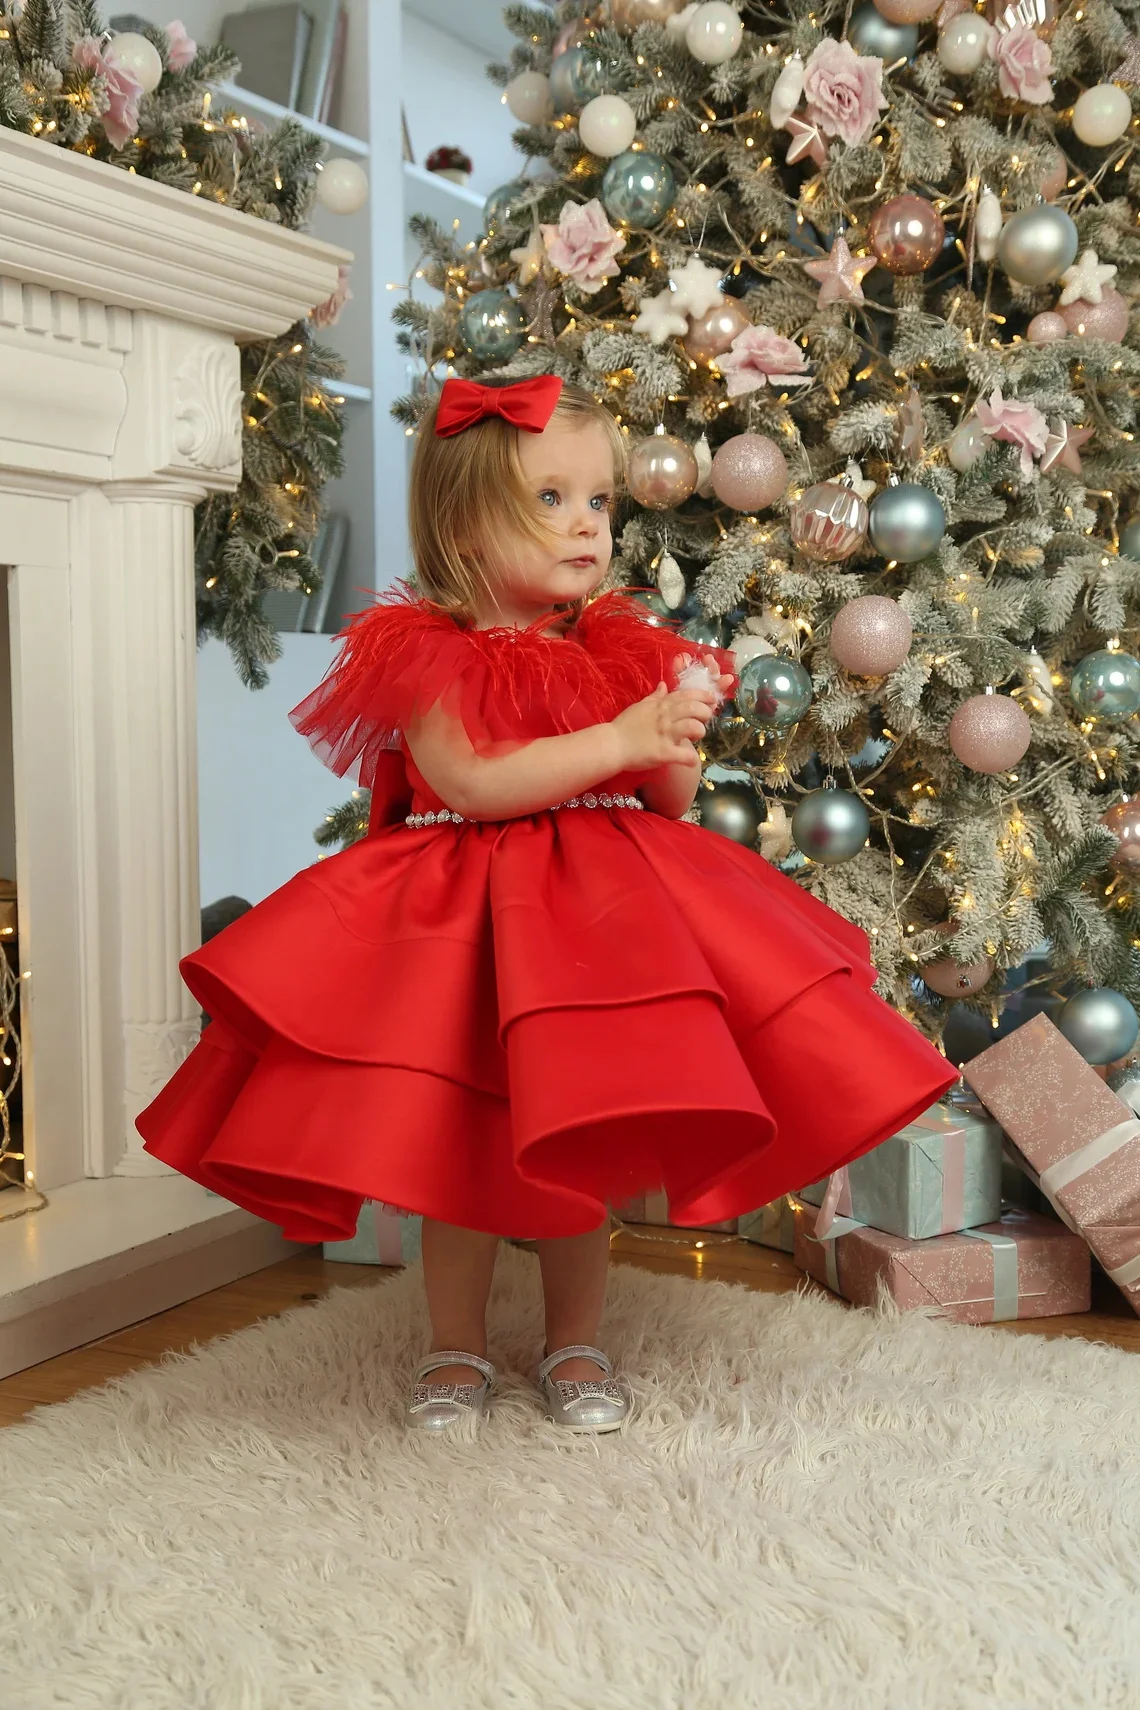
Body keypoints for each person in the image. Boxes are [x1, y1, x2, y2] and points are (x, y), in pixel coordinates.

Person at [136, 374, 956, 1436]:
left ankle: (576, 1339)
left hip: (599, 928)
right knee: (465, 1154)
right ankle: (454, 1346)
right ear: (462, 525)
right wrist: (619, 739)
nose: (587, 526)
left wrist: (671, 736)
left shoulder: (614, 645)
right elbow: (473, 784)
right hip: (465, 927)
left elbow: (660, 798)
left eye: (601, 501)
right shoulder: (423, 653)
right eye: (551, 501)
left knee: (580, 1148)